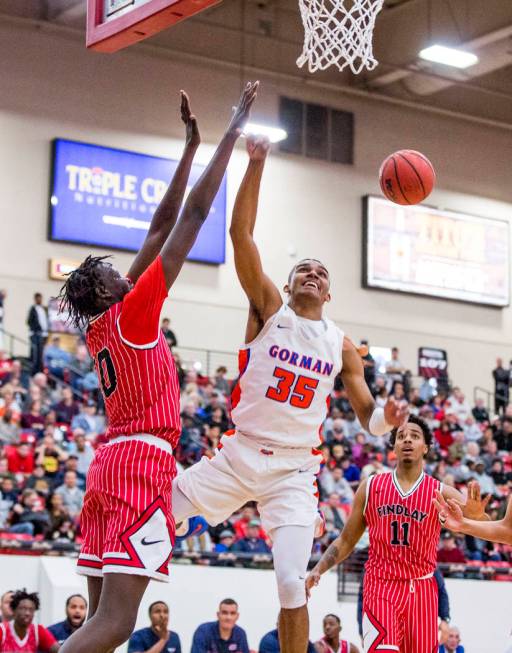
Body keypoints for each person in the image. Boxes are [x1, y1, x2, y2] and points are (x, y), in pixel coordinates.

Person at [173, 136, 408, 653]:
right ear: (290, 280)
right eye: (304, 268)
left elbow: (368, 418)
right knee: (152, 510)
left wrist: (388, 420)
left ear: (329, 293)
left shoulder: (341, 346)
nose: (313, 273)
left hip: (293, 472)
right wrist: (256, 162)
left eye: (322, 273)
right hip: (237, 455)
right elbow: (241, 232)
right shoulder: (268, 309)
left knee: (289, 583)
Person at [56, 83, 258, 653]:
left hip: (110, 465)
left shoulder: (102, 323)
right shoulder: (135, 314)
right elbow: (191, 215)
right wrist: (231, 133)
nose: (127, 272)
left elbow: (155, 227)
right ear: (105, 290)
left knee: (99, 624)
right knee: (117, 624)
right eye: (114, 274)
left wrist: (190, 148)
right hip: (141, 463)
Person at [306, 416, 490, 653]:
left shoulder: (440, 491)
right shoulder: (371, 487)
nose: (407, 440)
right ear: (393, 447)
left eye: (414, 436)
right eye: (401, 436)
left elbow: (485, 526)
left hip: (422, 590)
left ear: (426, 447)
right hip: (381, 585)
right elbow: (346, 539)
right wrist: (318, 569)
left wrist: (476, 516)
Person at [27, 293, 48, 375]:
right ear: (35, 299)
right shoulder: (33, 309)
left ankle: (39, 371)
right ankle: (34, 372)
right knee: (35, 354)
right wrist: (37, 328)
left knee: (40, 355)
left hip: (42, 335)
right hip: (35, 334)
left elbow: (44, 322)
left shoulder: (43, 309)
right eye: (38, 298)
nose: (40, 300)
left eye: (41, 298)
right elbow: (29, 321)